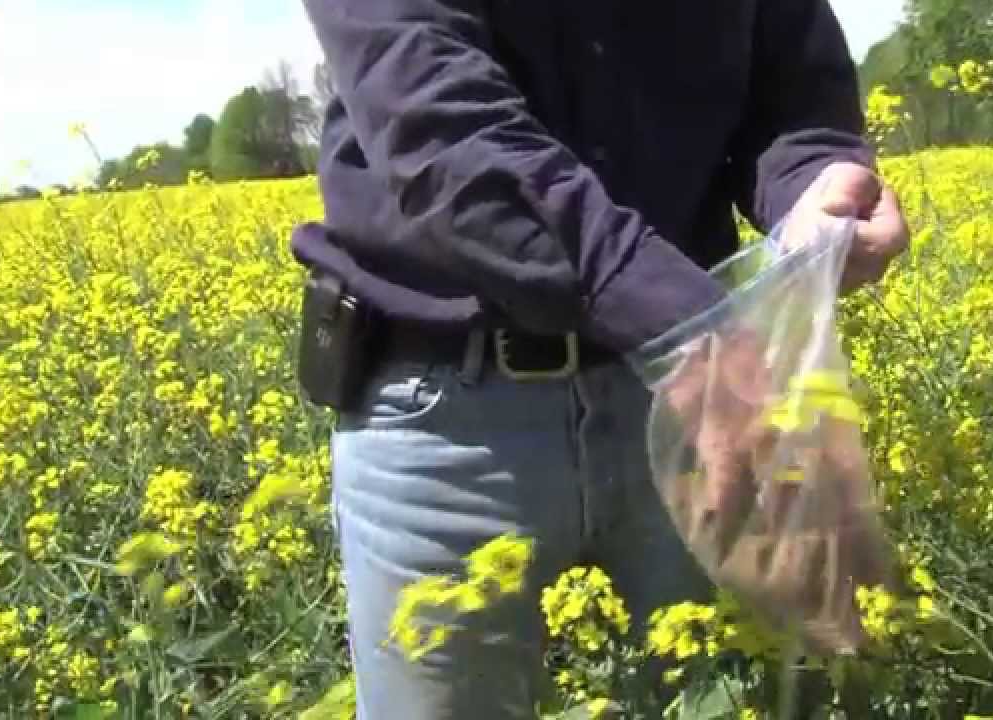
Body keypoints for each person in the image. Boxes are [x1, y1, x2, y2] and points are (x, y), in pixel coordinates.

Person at [292, 0, 910, 717]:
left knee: (724, 696)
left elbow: (795, 97)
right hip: (450, 426)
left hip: (692, 402)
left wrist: (819, 188)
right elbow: (442, 129)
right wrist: (690, 330)